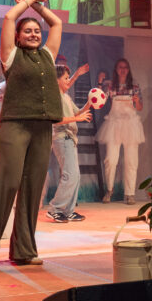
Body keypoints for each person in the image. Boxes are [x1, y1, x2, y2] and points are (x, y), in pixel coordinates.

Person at [0, 0, 63, 271]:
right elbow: (8, 17)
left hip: (42, 127)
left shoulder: (47, 55)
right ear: (17, 37)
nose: (34, 34)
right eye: (27, 31)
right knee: (5, 184)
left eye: (37, 31)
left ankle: (24, 250)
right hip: (15, 126)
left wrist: (38, 7)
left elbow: (57, 23)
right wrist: (26, 2)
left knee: (32, 188)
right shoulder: (12, 56)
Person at [47, 65, 94, 223]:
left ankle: (68, 210)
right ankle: (55, 209)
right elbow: (55, 119)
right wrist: (77, 119)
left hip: (70, 138)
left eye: (69, 78)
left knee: (75, 176)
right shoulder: (54, 96)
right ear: (56, 80)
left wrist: (90, 102)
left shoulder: (66, 97)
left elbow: (78, 112)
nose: (69, 81)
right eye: (65, 78)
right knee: (70, 175)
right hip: (62, 137)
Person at [97, 58, 144, 204]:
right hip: (114, 124)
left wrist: (137, 101)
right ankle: (109, 190)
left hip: (131, 125)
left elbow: (140, 107)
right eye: (120, 67)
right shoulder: (110, 86)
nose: (123, 70)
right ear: (116, 70)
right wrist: (100, 83)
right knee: (110, 160)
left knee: (131, 161)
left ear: (128, 70)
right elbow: (99, 102)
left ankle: (130, 194)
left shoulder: (134, 86)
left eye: (125, 67)